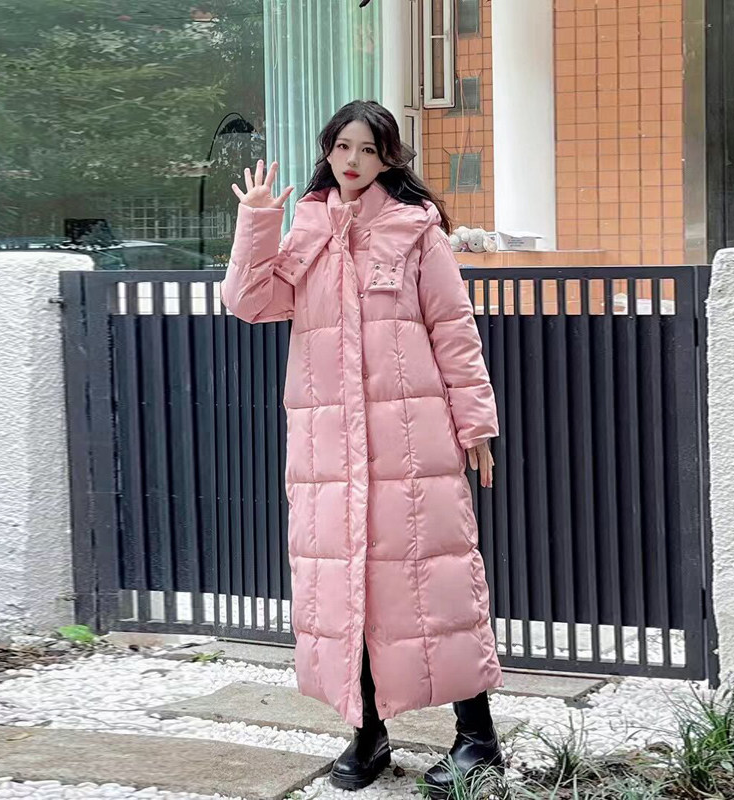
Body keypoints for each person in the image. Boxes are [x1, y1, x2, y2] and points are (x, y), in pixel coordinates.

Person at [220, 100, 503, 797]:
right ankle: (368, 732)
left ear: (388, 159)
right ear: (328, 149)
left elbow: (453, 328)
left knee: (437, 584)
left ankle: (477, 739)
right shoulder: (306, 229)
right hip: (328, 451)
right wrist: (257, 219)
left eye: (369, 150)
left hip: (411, 443)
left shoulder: (415, 230)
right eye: (343, 146)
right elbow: (249, 302)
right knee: (348, 589)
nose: (353, 161)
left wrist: (475, 425)